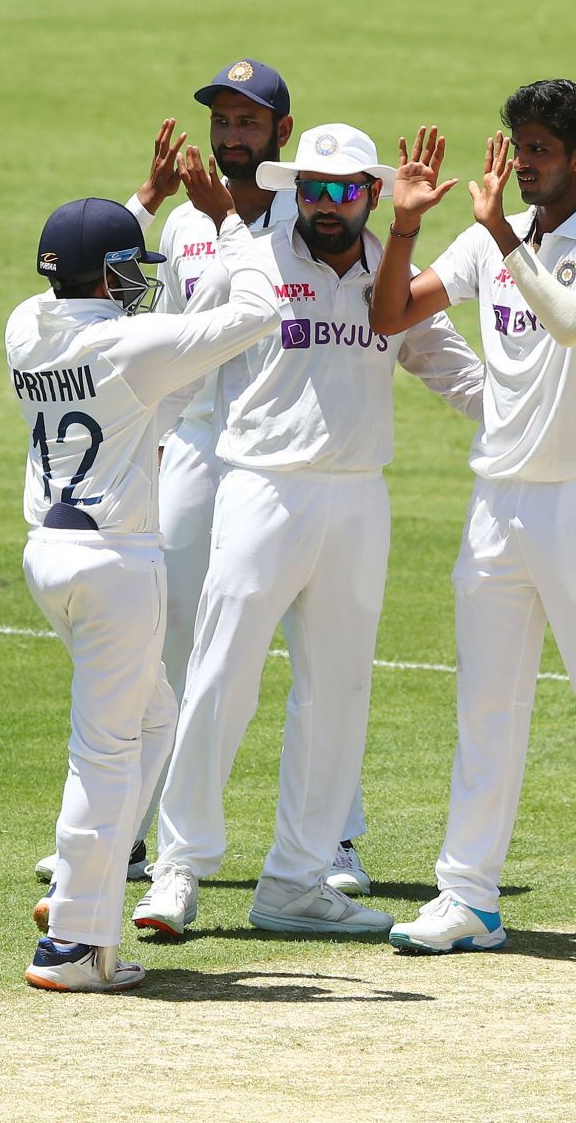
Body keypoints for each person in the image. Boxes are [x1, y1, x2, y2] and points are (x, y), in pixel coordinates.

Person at [369, 80, 576, 963]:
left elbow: (568, 323)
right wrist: (404, 225)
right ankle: (468, 896)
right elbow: (391, 315)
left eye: (542, 152)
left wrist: (493, 236)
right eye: (519, 148)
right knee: (485, 705)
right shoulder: (498, 237)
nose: (524, 166)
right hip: (497, 504)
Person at [130, 123, 485, 938]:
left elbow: (456, 373)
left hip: (358, 498)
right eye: (315, 190)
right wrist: (143, 451)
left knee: (338, 692)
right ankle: (178, 870)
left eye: (346, 191)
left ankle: (295, 878)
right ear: (296, 190)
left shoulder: (387, 278)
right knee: (222, 675)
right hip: (262, 487)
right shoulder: (255, 258)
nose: (328, 207)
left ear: (371, 194)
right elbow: (185, 355)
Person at [32, 60, 372, 894]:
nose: (231, 135)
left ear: (280, 134)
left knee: (316, 651)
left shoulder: (319, 214)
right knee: (167, 635)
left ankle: (333, 842)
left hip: (284, 457)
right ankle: (132, 835)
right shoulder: (187, 223)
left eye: (248, 122)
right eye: (222, 121)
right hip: (191, 446)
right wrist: (147, 200)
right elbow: (114, 302)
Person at [10, 159, 283, 992]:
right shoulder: (131, 347)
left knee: (152, 723)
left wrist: (142, 205)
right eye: (129, 268)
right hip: (115, 565)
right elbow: (257, 309)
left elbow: (97, 281)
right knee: (104, 752)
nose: (140, 282)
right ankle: (73, 945)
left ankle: (73, 885)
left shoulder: (24, 325)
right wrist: (229, 221)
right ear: (108, 275)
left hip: (48, 557)